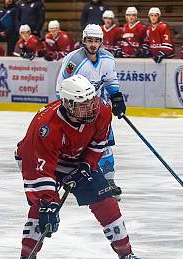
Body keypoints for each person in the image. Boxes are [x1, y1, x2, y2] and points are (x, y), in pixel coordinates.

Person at [14, 74, 153, 259]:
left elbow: (98, 144)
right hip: (39, 159)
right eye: (82, 105)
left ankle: (127, 257)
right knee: (42, 210)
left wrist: (86, 166)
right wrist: (48, 204)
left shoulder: (102, 111)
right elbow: (39, 171)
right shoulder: (46, 127)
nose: (90, 109)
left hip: (76, 159)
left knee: (106, 203)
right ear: (68, 104)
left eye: (91, 102)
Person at [56, 24, 126, 200]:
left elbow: (110, 80)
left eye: (96, 41)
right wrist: (69, 111)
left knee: (105, 146)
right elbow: (61, 87)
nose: (93, 44)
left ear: (101, 42)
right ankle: (65, 179)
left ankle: (109, 181)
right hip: (77, 111)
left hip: (99, 110)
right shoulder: (74, 61)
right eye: (89, 40)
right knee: (77, 147)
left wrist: (116, 96)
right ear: (84, 40)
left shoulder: (108, 59)